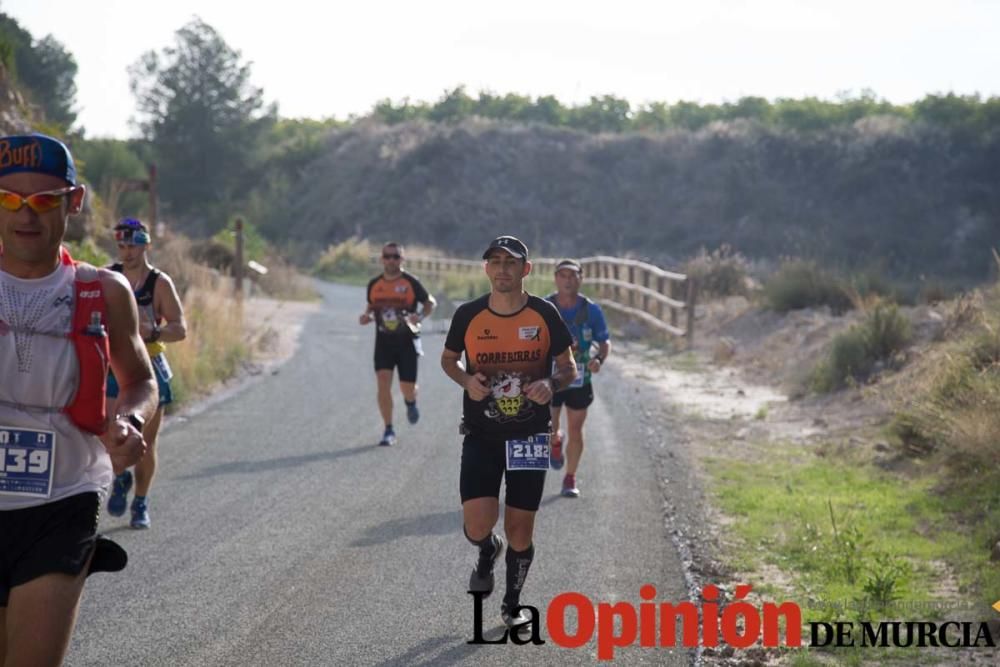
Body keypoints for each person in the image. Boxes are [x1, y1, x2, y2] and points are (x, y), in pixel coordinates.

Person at [0, 133, 154, 666]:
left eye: (43, 200)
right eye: (8, 200)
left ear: (74, 202)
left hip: (63, 499)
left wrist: (130, 420)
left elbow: (140, 377)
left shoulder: (105, 291)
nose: (26, 215)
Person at [441, 235, 576, 627]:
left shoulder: (544, 314)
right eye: (495, 262)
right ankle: (487, 549)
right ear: (486, 269)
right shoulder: (468, 315)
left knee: (521, 531)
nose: (503, 269)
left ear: (526, 270)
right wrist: (466, 381)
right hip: (481, 435)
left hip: (530, 436)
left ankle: (512, 604)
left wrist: (551, 385)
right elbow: (449, 360)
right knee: (477, 525)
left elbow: (569, 367)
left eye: (511, 262)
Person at [105, 218, 187, 529]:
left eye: (133, 246)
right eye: (122, 246)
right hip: (113, 365)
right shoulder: (109, 277)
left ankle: (141, 501)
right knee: (110, 433)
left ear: (146, 245)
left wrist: (153, 332)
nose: (127, 252)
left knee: (146, 443)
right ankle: (120, 477)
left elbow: (180, 329)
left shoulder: (159, 283)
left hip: (151, 366)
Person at [546, 259, 611, 498]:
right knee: (550, 428)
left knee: (576, 427)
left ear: (580, 279)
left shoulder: (591, 310)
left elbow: (604, 342)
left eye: (573, 276)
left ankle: (570, 477)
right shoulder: (545, 306)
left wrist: (599, 360)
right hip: (551, 377)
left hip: (580, 378)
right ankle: (555, 441)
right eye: (563, 275)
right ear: (556, 278)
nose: (568, 280)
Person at [359, 242, 435, 446]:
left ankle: (411, 401)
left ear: (402, 259)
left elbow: (430, 303)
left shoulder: (411, 282)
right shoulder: (374, 284)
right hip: (383, 343)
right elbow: (371, 306)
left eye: (396, 256)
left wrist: (418, 317)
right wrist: (366, 317)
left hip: (407, 343)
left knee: (406, 388)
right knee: (383, 382)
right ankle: (388, 429)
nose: (391, 260)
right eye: (388, 256)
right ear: (382, 259)